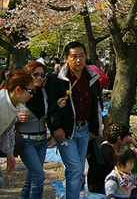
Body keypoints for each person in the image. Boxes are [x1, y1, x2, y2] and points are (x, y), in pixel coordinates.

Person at [46, 41, 103, 199]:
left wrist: (95, 128)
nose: (78, 60)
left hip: (83, 129)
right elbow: (50, 105)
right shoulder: (57, 79)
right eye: (74, 57)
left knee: (78, 169)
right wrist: (55, 127)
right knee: (75, 168)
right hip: (66, 131)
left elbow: (95, 105)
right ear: (66, 58)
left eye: (81, 56)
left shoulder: (91, 78)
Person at [88, 122, 137, 198]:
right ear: (119, 138)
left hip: (100, 185)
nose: (127, 139)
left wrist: (134, 142)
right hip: (104, 188)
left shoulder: (104, 147)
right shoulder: (111, 154)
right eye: (126, 137)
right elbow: (120, 175)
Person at [17, 61, 49, 199]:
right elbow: (7, 113)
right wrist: (17, 116)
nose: (39, 78)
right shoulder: (19, 93)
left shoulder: (44, 93)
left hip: (42, 141)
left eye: (42, 75)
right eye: (35, 74)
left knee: (32, 177)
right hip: (25, 141)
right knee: (38, 176)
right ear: (27, 74)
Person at [0, 70, 34, 190]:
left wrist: (9, 154)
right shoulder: (1, 101)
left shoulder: (15, 106)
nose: (31, 96)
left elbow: (7, 130)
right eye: (29, 91)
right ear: (18, 89)